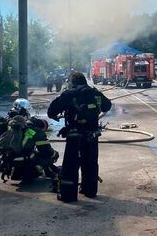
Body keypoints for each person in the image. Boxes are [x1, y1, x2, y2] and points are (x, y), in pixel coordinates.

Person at [47, 72, 112, 201]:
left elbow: (51, 111)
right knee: (90, 163)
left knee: (70, 164)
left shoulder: (69, 94)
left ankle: (69, 195)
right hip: (92, 134)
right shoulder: (94, 93)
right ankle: (90, 191)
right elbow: (107, 106)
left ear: (72, 82)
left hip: (74, 134)